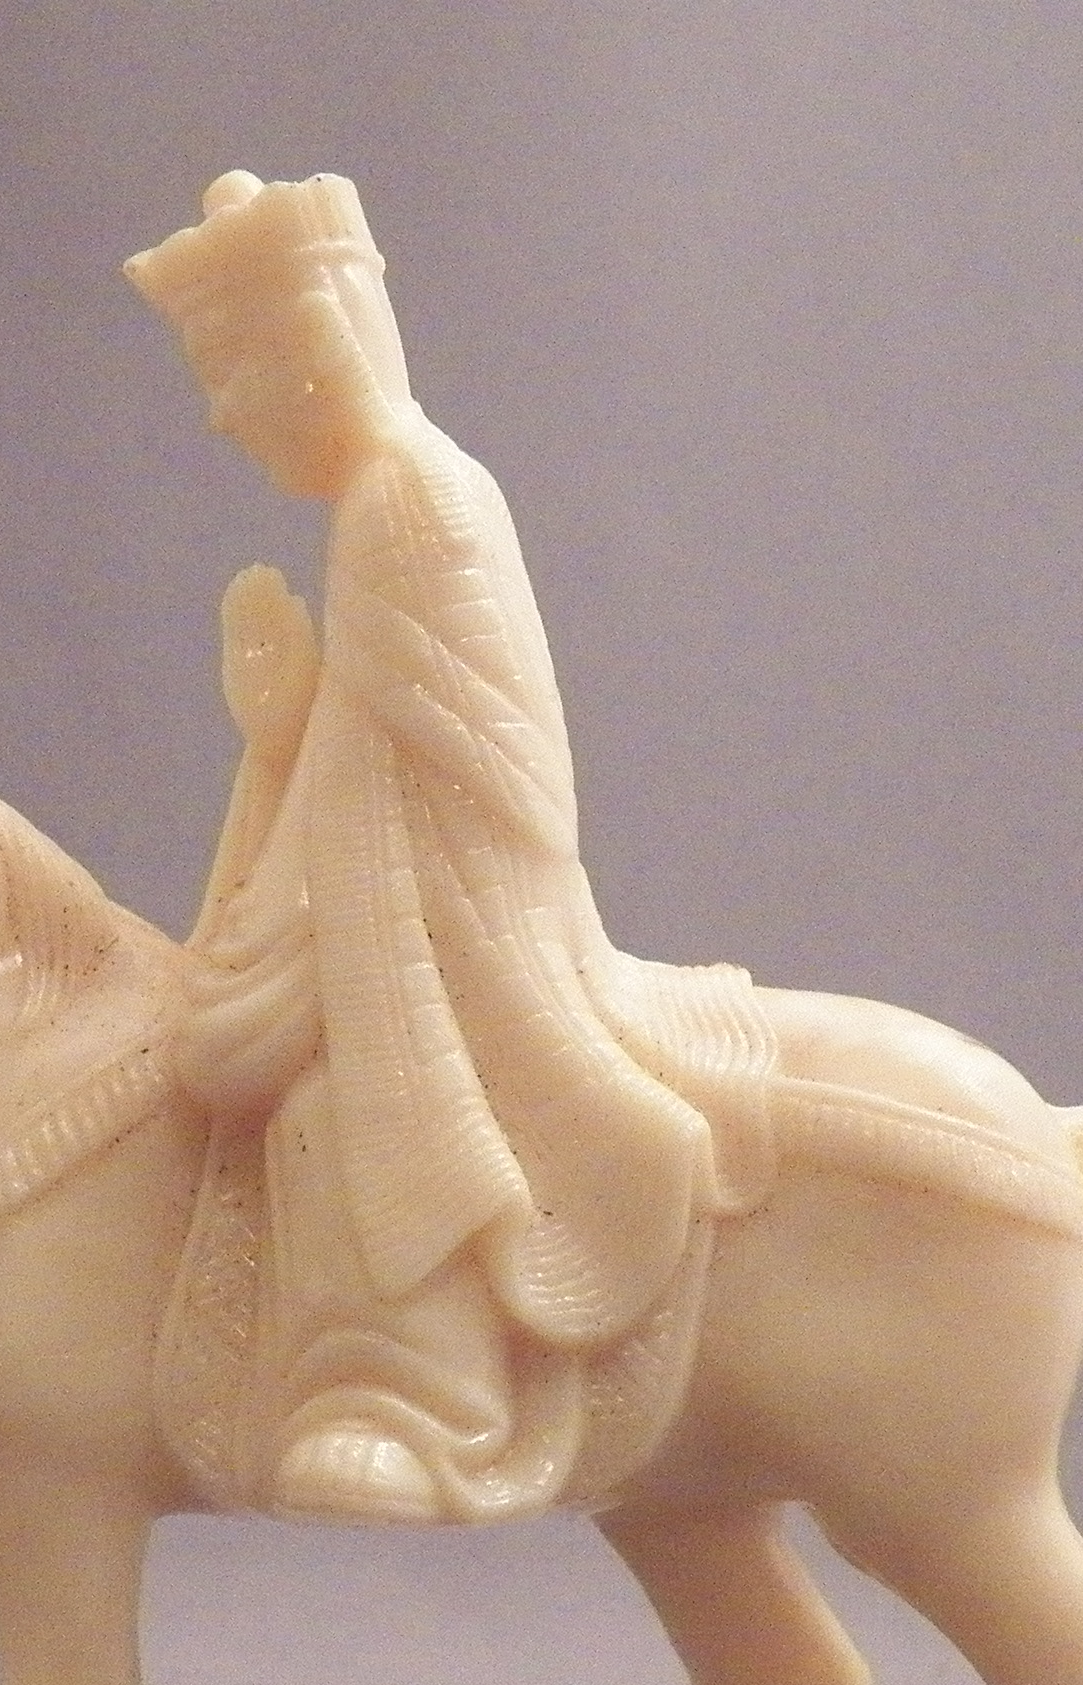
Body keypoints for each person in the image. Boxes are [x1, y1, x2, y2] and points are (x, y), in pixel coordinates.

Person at [128, 171, 721, 1525]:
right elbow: (362, 744)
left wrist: (277, 915)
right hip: (388, 862)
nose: (222, 415)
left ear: (319, 345)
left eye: (235, 371)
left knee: (340, 1101)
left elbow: (425, 771)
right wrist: (280, 735)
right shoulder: (383, 499)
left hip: (460, 904)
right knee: (243, 1038)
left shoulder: (413, 495)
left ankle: (416, 1393)